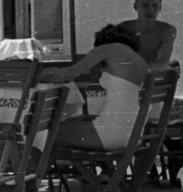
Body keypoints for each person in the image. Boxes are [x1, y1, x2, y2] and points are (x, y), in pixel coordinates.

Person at [39, 24, 149, 152]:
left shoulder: (108, 49)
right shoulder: (139, 61)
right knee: (64, 126)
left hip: (111, 135)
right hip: (132, 136)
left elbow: (67, 74)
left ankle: (35, 170)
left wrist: (33, 76)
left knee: (43, 134)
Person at [119, 0, 177, 67]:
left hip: (152, 76)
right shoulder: (123, 29)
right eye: (145, 5)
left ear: (160, 7)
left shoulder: (167, 30)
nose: (150, 10)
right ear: (135, 6)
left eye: (155, 5)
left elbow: (163, 62)